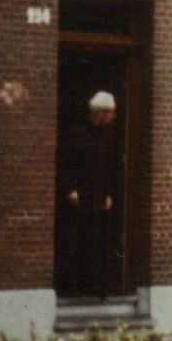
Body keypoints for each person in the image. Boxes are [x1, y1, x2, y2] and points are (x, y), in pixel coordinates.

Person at [58, 90, 122, 297]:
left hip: (97, 199)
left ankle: (91, 286)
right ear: (100, 112)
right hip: (78, 199)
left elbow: (109, 167)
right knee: (73, 243)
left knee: (93, 244)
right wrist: (69, 189)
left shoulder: (106, 136)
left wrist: (109, 193)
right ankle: (70, 287)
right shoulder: (75, 133)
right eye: (111, 112)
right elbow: (65, 163)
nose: (113, 117)